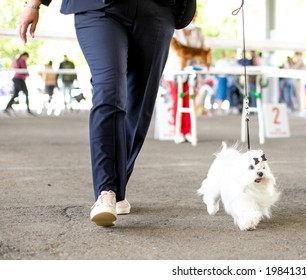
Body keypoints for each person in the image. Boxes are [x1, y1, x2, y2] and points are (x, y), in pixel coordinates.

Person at [19, 0, 196, 227]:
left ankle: (117, 185)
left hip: (157, 10)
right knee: (109, 89)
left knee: (139, 106)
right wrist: (33, 4)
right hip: (98, 8)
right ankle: (106, 191)